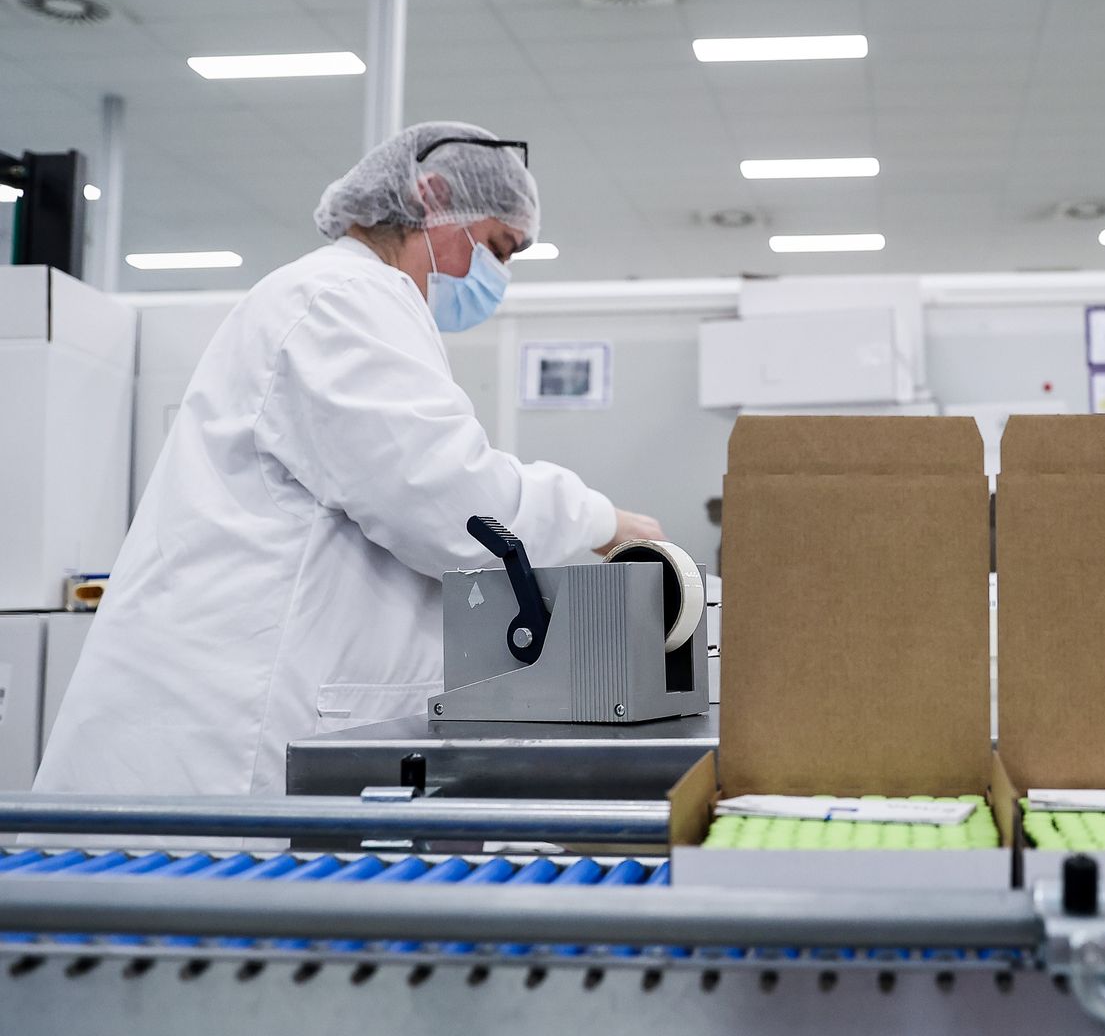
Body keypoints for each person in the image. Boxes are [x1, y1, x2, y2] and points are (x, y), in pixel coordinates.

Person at [35, 122, 666, 800]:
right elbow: (453, 505)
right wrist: (602, 520)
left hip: (249, 713)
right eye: (496, 247)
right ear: (432, 197)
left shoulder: (358, 305)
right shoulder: (341, 300)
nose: (498, 276)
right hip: (226, 735)